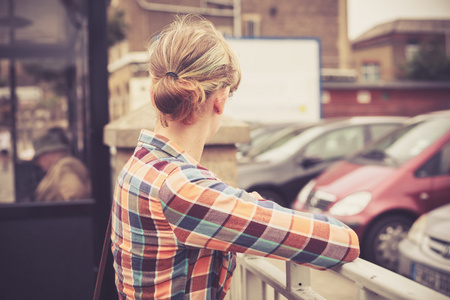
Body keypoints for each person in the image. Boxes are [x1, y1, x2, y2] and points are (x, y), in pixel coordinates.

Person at [111, 15, 360, 300]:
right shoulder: (182, 189)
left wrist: (243, 205)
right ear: (220, 99)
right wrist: (252, 208)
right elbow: (341, 241)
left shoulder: (139, 165)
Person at [32, 127, 91, 202]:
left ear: (50, 153)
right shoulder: (58, 167)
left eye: (39, 158)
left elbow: (74, 195)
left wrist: (54, 212)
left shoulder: (66, 166)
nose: (38, 163)